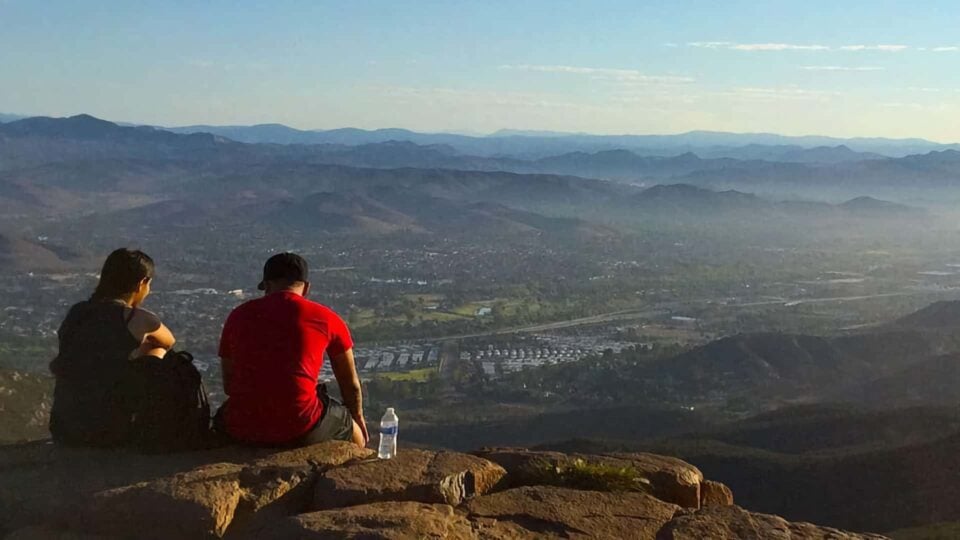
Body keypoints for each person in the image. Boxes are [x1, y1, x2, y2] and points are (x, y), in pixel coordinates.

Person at [217, 252, 368, 448]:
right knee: (351, 427)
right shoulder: (327, 318)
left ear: (268, 285)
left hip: (241, 426)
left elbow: (229, 385)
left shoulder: (238, 316)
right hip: (300, 426)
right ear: (306, 288)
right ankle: (360, 459)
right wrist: (357, 417)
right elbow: (350, 385)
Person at [49, 248, 177, 447]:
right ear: (142, 283)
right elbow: (168, 341)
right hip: (109, 431)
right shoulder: (137, 318)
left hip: (63, 427)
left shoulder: (77, 312)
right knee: (160, 350)